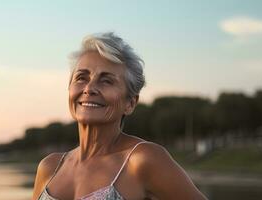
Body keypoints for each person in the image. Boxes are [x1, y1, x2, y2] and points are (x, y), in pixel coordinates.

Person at [32, 32, 207, 200]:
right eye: (81, 78)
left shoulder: (142, 160)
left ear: (130, 103)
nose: (89, 88)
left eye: (106, 80)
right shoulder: (49, 167)